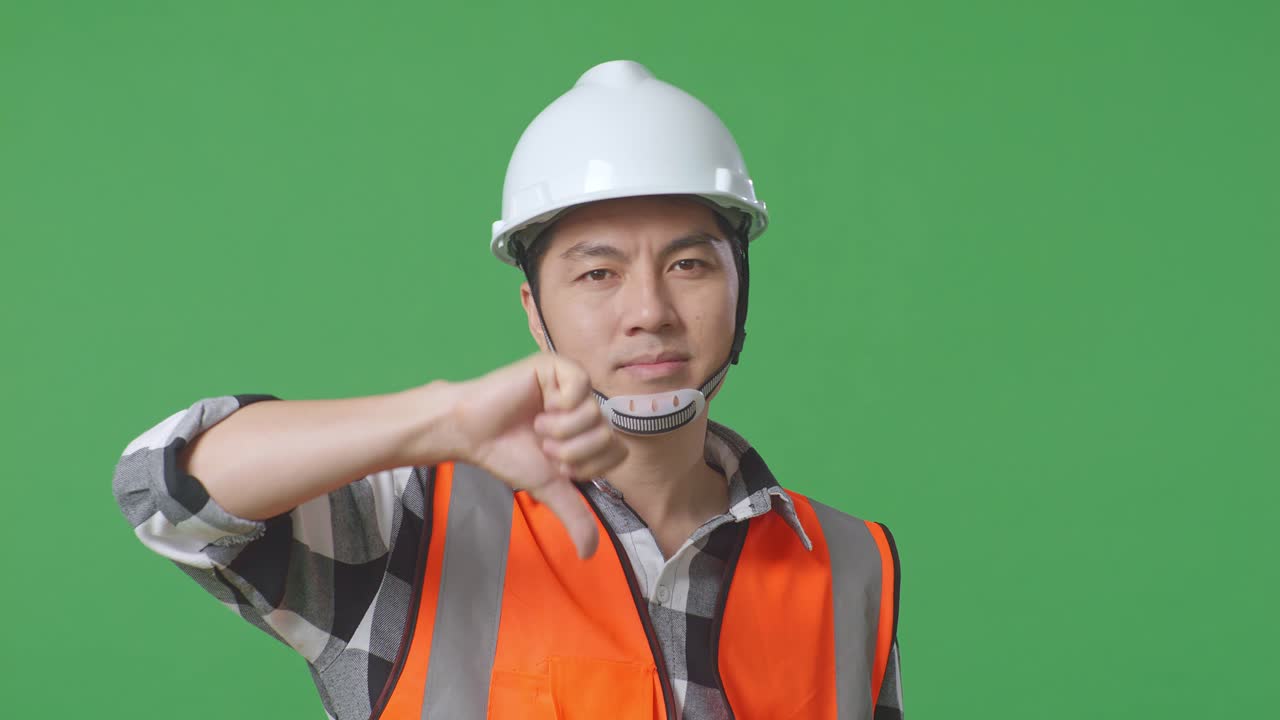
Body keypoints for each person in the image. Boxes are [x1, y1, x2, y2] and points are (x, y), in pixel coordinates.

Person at [112, 59, 904, 720]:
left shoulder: (848, 564)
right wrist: (441, 417)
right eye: (598, 274)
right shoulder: (409, 523)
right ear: (535, 310)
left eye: (689, 264)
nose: (650, 311)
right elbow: (166, 493)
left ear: (740, 288)